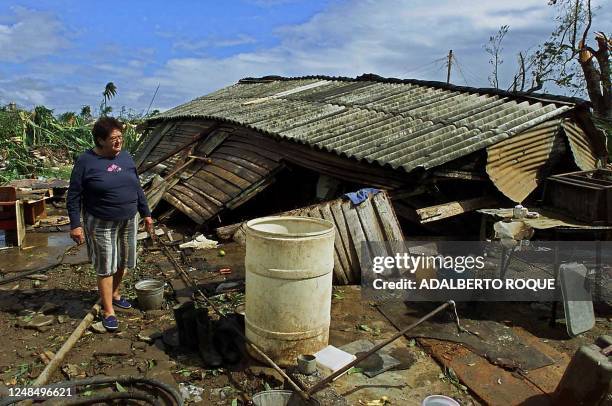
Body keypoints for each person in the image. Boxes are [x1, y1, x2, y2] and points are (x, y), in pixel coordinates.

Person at [67, 117, 153, 331]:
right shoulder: (85, 161)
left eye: (120, 138)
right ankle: (108, 310)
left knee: (123, 259)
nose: (118, 142)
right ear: (100, 140)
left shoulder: (125, 157)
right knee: (106, 265)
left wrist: (146, 213)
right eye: (113, 138)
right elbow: (74, 195)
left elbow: (137, 188)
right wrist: (75, 224)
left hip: (128, 218)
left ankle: (115, 294)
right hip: (100, 221)